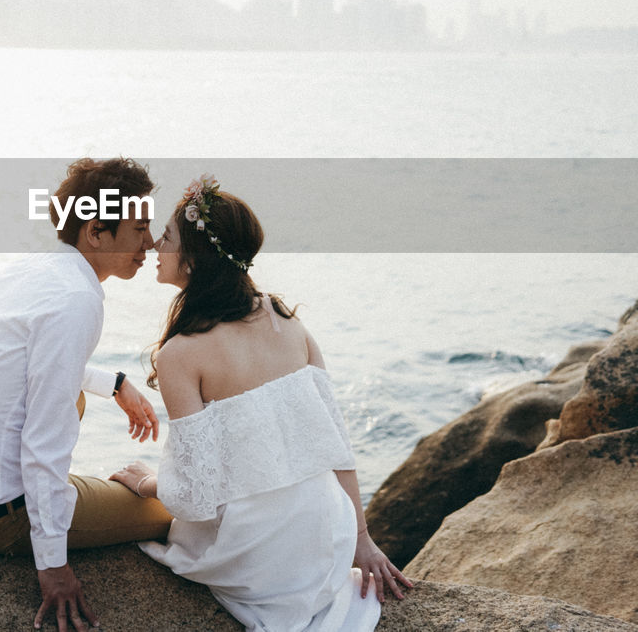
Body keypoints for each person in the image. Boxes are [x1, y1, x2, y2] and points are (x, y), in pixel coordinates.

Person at [111, 175, 412, 631]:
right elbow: (335, 444)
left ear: (194, 258)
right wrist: (360, 540)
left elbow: (193, 495)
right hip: (325, 538)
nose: (155, 244)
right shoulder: (289, 324)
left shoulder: (180, 355)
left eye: (168, 237)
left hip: (260, 557)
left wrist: (147, 483)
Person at [0, 157, 173, 632]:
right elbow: (43, 441)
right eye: (139, 228)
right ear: (96, 232)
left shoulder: (34, 271)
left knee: (71, 398)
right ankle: (63, 508)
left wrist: (112, 383)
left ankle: (57, 497)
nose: (151, 242)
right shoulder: (75, 302)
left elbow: (25, 366)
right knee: (164, 510)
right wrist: (52, 566)